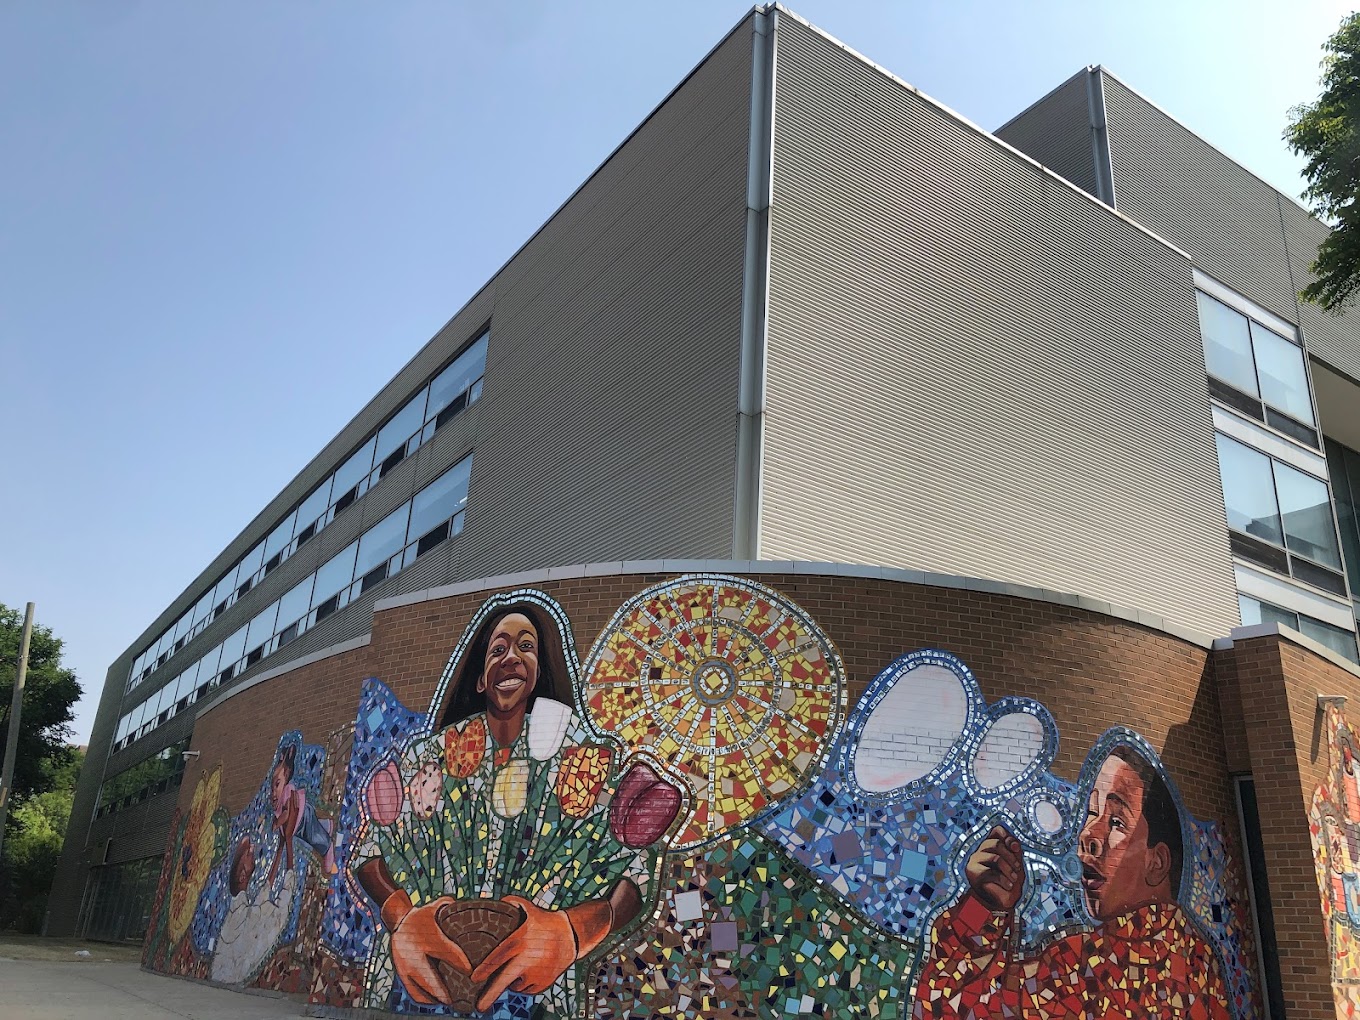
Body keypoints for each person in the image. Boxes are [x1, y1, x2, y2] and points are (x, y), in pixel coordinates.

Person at [353, 596, 677, 1016]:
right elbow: (368, 851)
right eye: (497, 649)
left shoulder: (579, 756)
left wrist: (572, 932)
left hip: (539, 991)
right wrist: (402, 919)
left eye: (526, 647)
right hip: (427, 982)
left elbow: (635, 867)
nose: (511, 658)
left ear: (540, 670)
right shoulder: (430, 756)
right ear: (480, 679)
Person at [913, 744, 1230, 1019]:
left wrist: (981, 909)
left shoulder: (1081, 968)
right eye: (1091, 813)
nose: (1088, 835)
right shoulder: (1199, 963)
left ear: (1156, 862)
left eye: (1116, 821)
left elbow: (950, 1007)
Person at [267, 743, 337, 881]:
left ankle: (327, 846)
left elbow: (287, 814)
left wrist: (277, 823)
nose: (274, 792)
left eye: (277, 784)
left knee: (313, 836)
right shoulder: (278, 802)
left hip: (304, 817)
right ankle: (326, 825)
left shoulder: (287, 792)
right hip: (298, 826)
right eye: (272, 788)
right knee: (309, 833)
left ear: (286, 778)